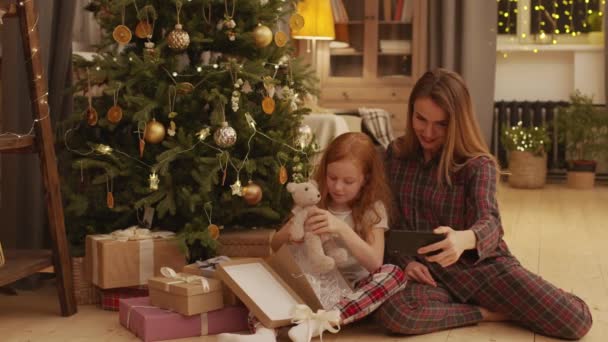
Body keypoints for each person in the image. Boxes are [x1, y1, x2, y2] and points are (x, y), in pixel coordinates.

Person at [376, 68, 593, 340]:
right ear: (410, 113)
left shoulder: (478, 165)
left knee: (576, 320)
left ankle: (475, 304)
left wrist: (462, 240)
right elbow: (387, 222)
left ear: (457, 122)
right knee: (396, 313)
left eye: (441, 124)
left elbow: (490, 221)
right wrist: (405, 262)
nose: (428, 132)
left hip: (480, 268)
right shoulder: (395, 156)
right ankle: (485, 312)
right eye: (421, 118)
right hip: (426, 273)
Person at [219, 132, 406, 342]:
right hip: (309, 285)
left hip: (348, 294)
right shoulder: (311, 198)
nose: (337, 187)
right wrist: (290, 234)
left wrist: (341, 228)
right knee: (266, 276)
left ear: (366, 179)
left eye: (348, 181)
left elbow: (375, 263)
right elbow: (275, 244)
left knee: (394, 274)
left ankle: (321, 322)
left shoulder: (373, 209)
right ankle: (264, 333)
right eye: (332, 178)